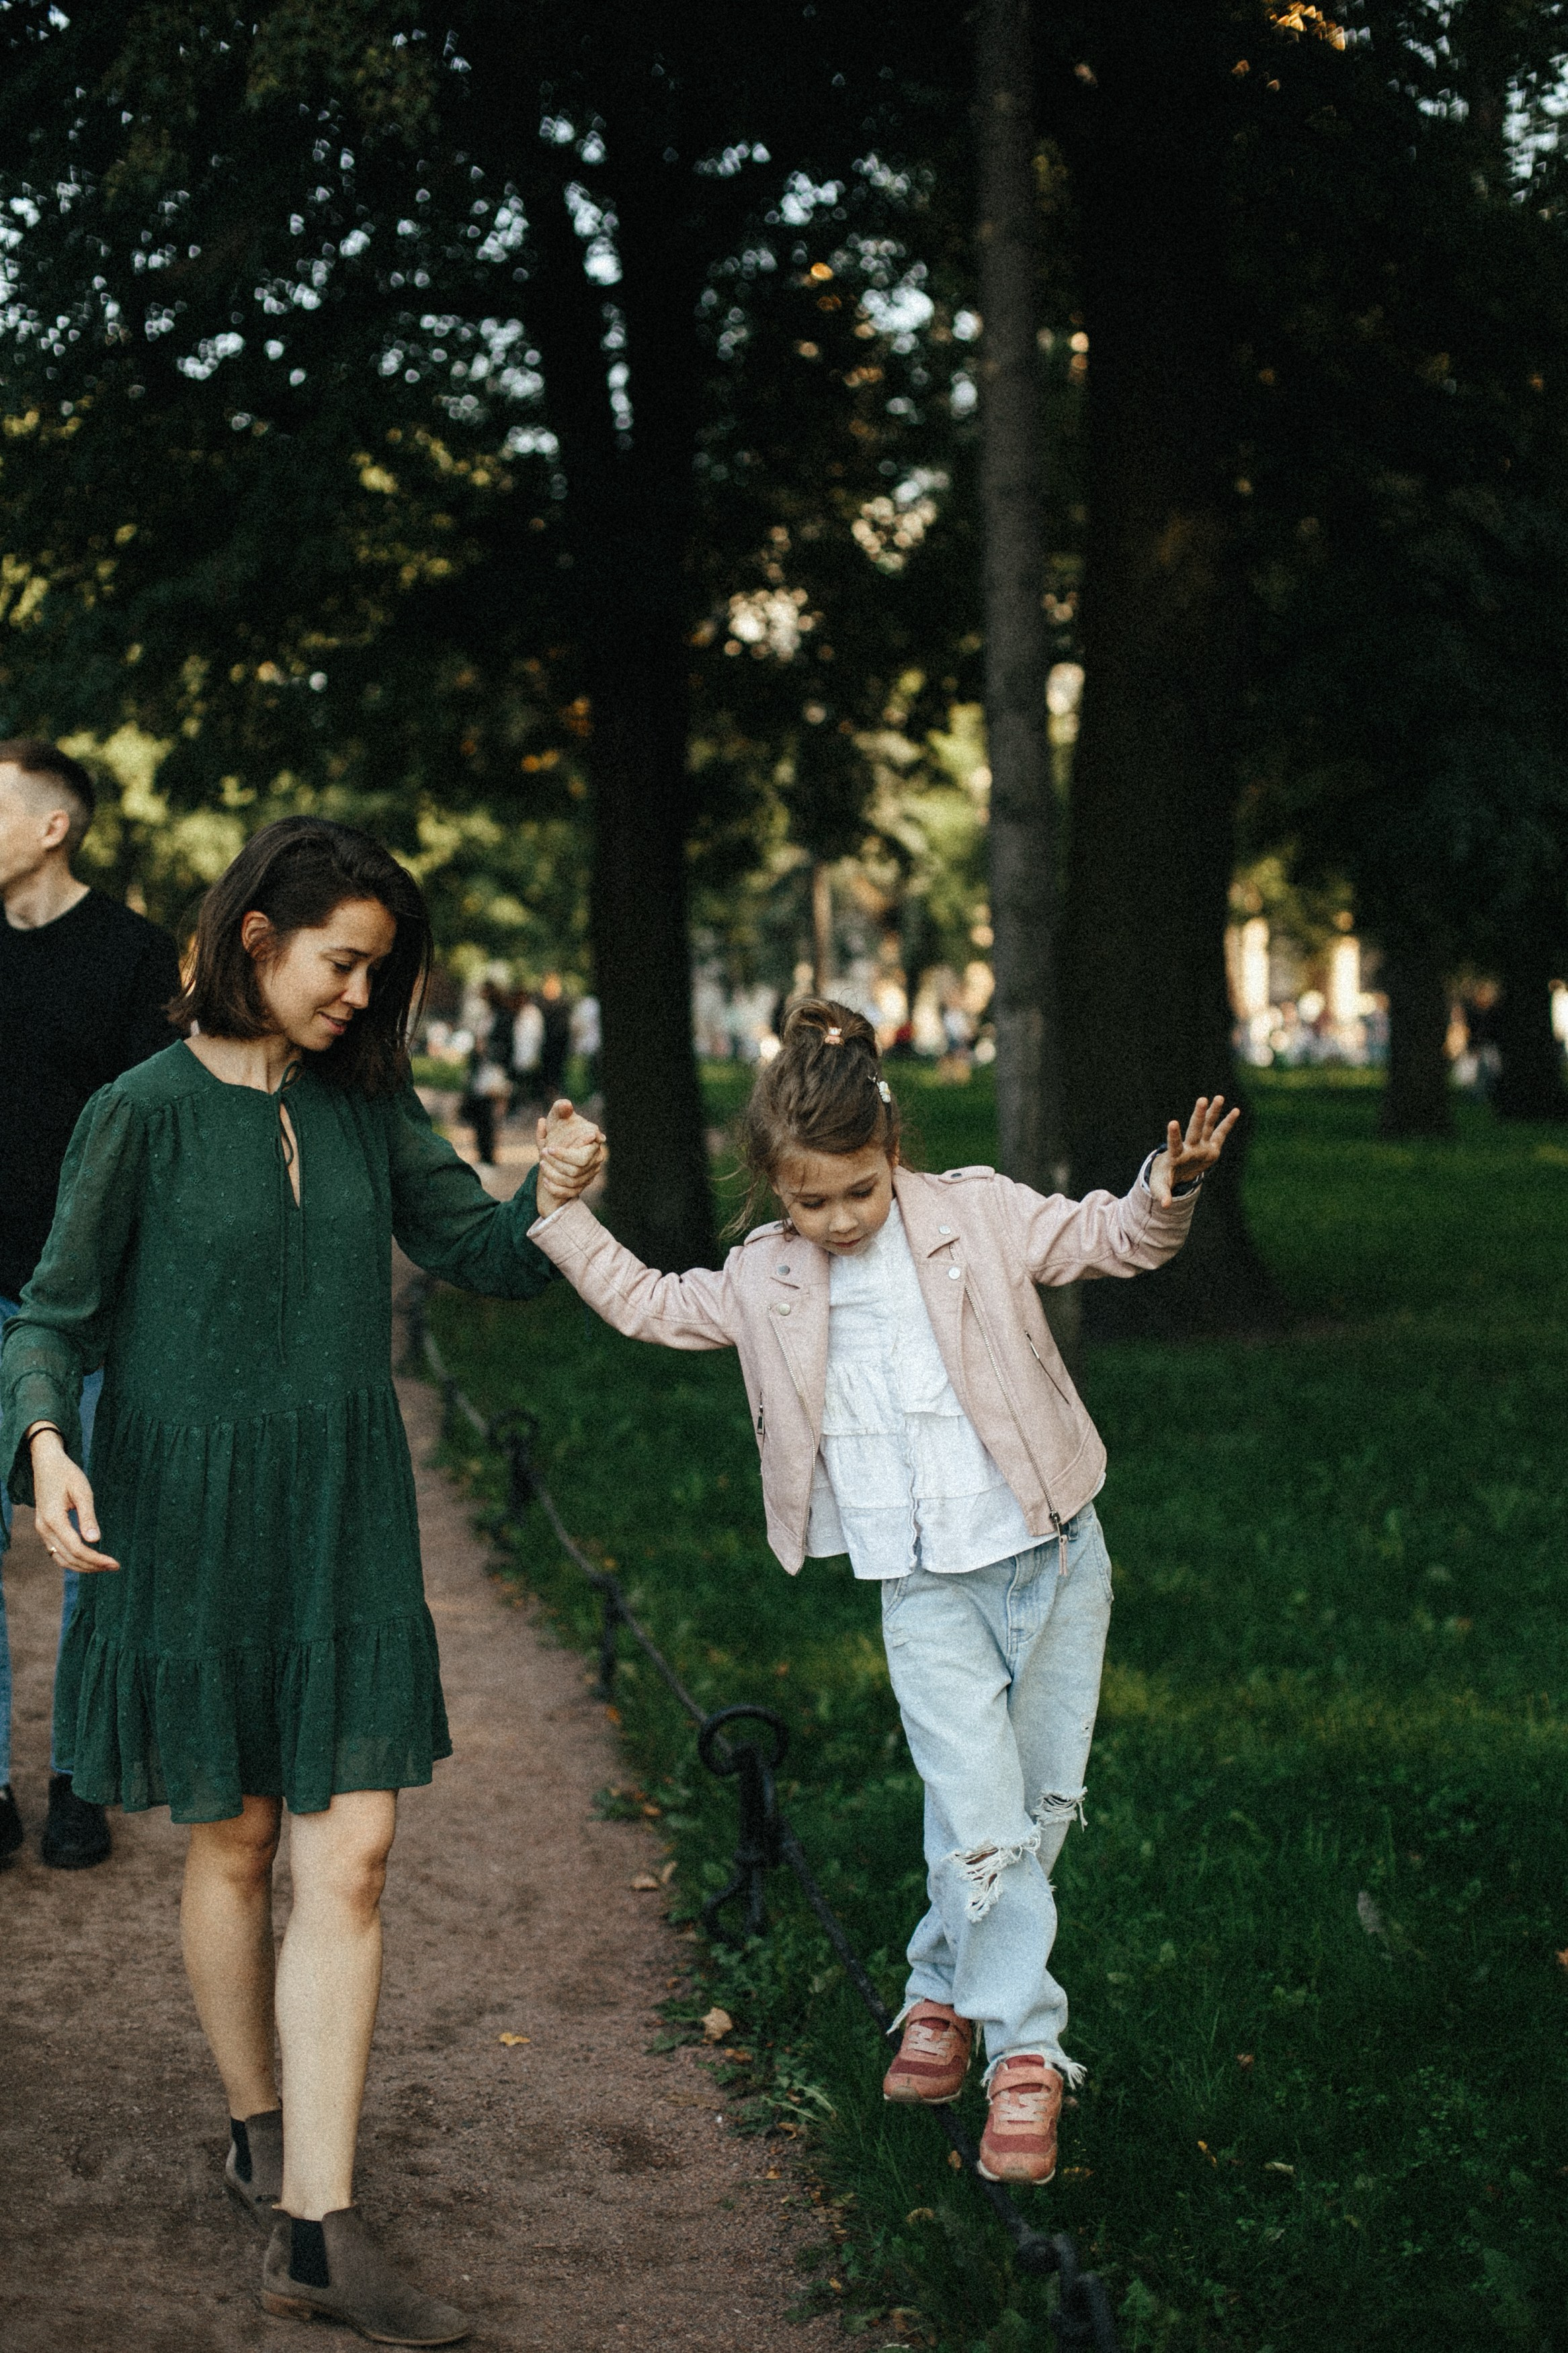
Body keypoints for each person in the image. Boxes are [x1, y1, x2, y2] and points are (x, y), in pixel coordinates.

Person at [0, 816, 600, 2344]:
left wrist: (555, 1191)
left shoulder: (368, 1106)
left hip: (344, 1516)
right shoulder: (137, 1112)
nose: (360, 996)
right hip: (187, 1520)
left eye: (379, 974)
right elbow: (51, 1313)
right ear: (254, 940)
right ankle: (259, 2120)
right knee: (238, 1839)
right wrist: (46, 1442)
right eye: (343, 964)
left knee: (357, 1855)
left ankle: (315, 2234)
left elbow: (484, 1253)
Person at [527, 1000, 1237, 2188]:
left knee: (1034, 1811)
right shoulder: (763, 1277)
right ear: (773, 1189)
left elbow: (1111, 1239)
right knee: (979, 1812)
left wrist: (1169, 1187)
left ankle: (936, 1991)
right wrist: (562, 1215)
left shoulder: (975, 1213)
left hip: (1056, 1556)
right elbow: (650, 1303)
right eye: (811, 1203)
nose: (841, 1219)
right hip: (921, 1588)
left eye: (859, 1191)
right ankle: (1025, 2051)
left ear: (891, 1151)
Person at [0, 737, 182, 1874]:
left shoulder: (132, 955)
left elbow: (151, 1135)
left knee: (85, 1547)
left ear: (53, 825)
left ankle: (78, 1776)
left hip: (85, 1303)